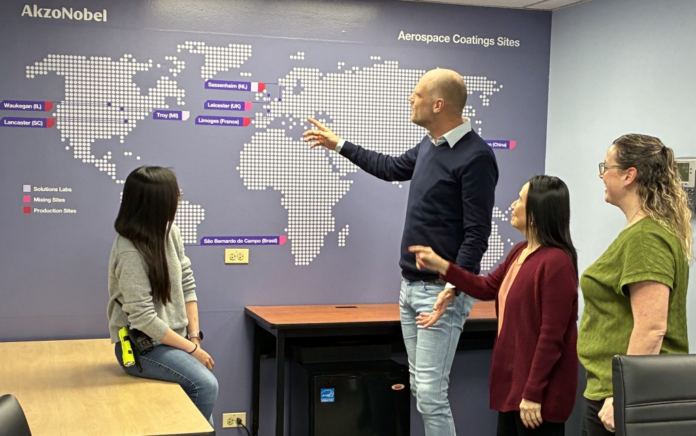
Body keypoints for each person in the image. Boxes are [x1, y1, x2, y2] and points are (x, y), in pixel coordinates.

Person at [303, 68, 498, 435]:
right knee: (421, 390)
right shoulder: (430, 144)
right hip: (410, 287)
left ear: (438, 104)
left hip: (439, 293)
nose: (410, 99)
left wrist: (453, 288)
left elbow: (477, 234)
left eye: (417, 94)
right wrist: (339, 144)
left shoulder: (476, 156)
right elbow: (391, 167)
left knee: (430, 396)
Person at [410, 175, 579, 436]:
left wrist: (533, 393)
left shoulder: (556, 263)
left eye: (520, 200)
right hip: (515, 389)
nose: (512, 205)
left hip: (537, 398)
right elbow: (487, 286)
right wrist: (444, 269)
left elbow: (551, 337)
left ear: (535, 213)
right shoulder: (520, 251)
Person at [578, 134, 692, 435]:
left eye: (606, 167)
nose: (602, 175)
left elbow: (652, 328)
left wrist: (623, 396)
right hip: (615, 392)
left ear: (629, 175)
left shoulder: (646, 238)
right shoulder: (644, 233)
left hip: (625, 398)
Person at [107, 166, 218, 425]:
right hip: (141, 348)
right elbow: (143, 319)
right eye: (175, 195)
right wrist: (191, 350)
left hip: (175, 342)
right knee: (206, 385)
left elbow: (187, 284)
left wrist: (194, 338)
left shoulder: (170, 232)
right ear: (158, 202)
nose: (178, 200)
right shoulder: (129, 250)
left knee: (202, 397)